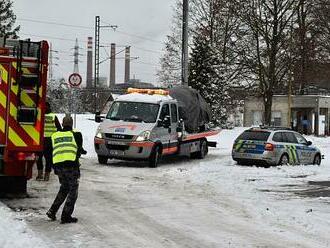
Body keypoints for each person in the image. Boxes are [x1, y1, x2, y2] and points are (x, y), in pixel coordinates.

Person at [46, 116, 86, 224]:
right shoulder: (76, 135)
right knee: (73, 190)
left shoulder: (54, 136)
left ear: (62, 124)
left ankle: (52, 211)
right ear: (71, 124)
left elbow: (48, 152)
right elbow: (79, 149)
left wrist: (52, 166)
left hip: (59, 166)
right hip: (71, 166)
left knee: (64, 188)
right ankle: (66, 215)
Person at [36, 102, 62, 181]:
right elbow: (59, 129)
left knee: (39, 158)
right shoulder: (53, 116)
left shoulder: (39, 115)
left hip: (40, 140)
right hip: (50, 140)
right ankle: (47, 175)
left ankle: (40, 174)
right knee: (48, 159)